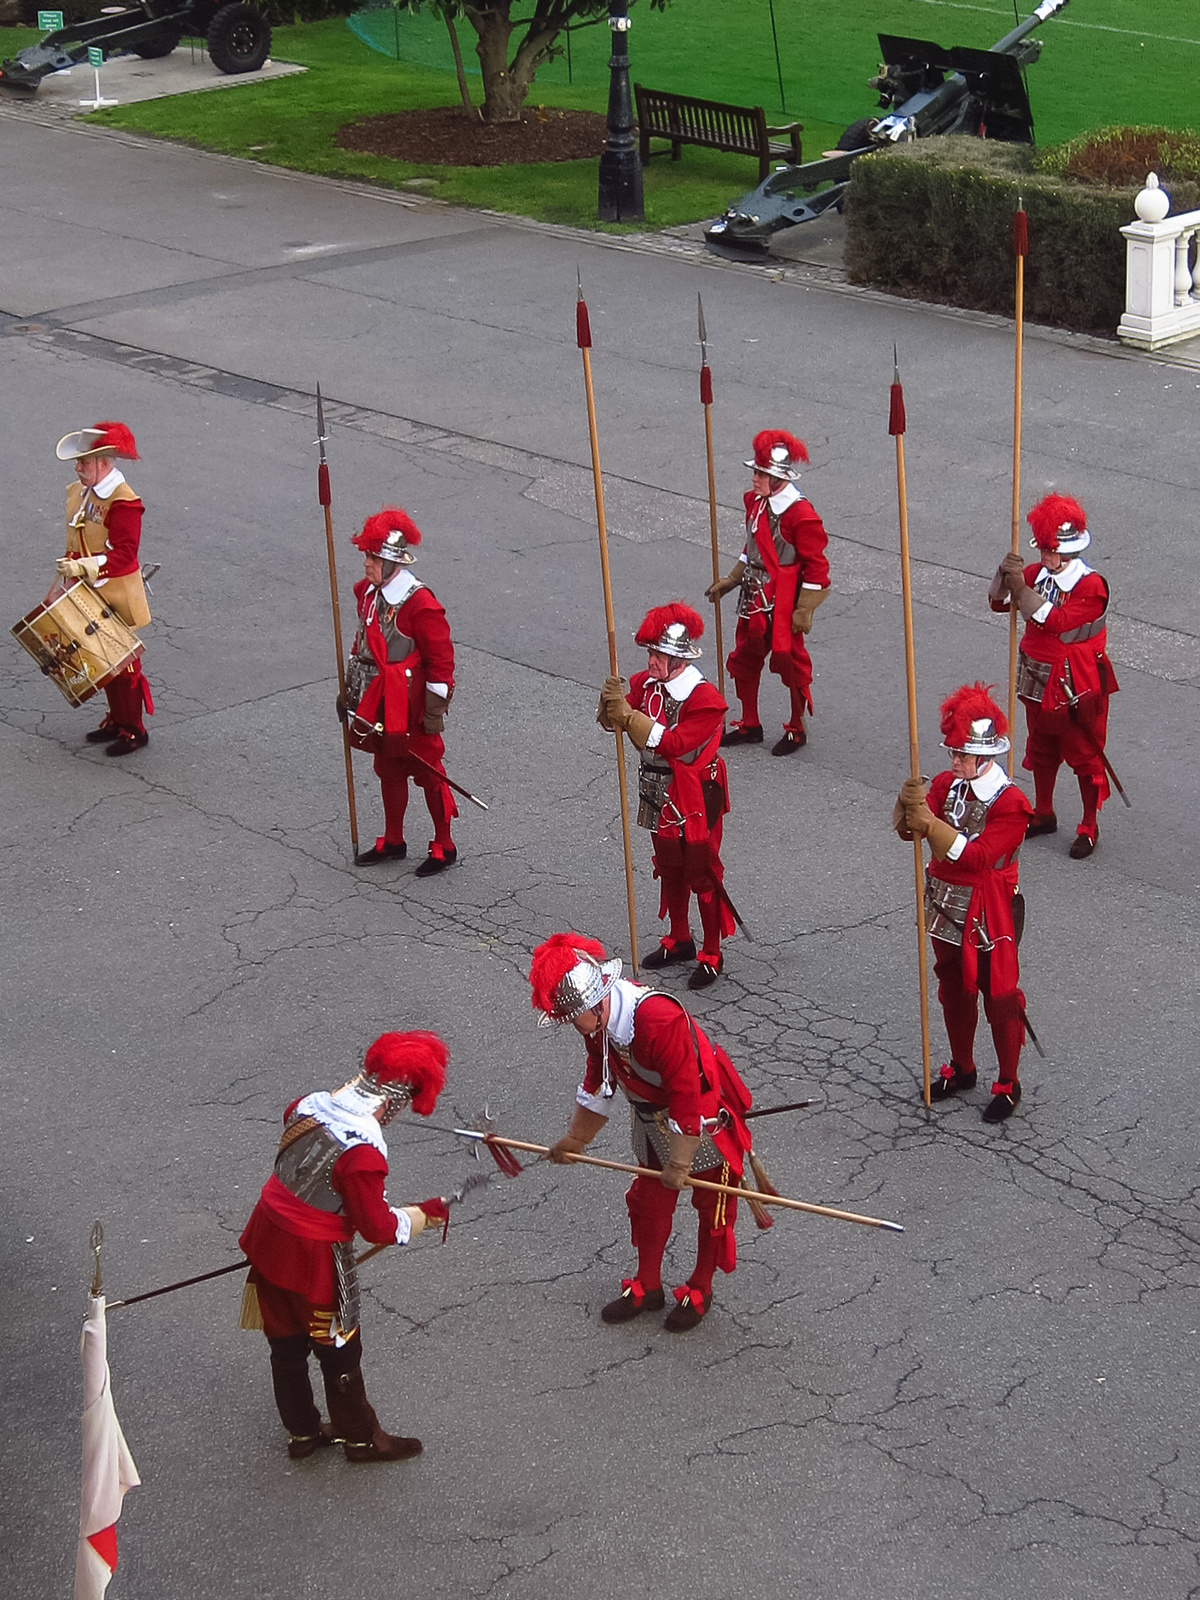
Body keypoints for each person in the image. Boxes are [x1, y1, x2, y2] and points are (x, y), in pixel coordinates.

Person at [239, 1031, 451, 1462]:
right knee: (339, 1350)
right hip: (314, 1258)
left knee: (286, 1345)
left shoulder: (304, 1106)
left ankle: (301, 1432)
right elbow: (376, 1227)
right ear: (394, 1101)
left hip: (268, 1239)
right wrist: (424, 1215)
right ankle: (361, 1439)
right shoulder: (362, 1155)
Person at [530, 932, 753, 1333]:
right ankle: (648, 1284)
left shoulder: (659, 1020)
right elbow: (599, 1077)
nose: (573, 1028)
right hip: (652, 1118)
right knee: (649, 1202)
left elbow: (686, 1089)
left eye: (573, 1018)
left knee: (712, 1207)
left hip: (699, 1118)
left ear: (595, 1003)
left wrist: (680, 1160)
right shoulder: (597, 1026)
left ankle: (701, 1286)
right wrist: (577, 1139)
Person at [895, 683, 1033, 1123]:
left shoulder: (1012, 804)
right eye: (953, 752)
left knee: (1000, 995)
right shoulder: (946, 784)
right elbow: (910, 833)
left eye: (962, 754)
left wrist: (931, 824)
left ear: (985, 756)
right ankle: (963, 1067)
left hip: (989, 909)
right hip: (944, 903)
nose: (954, 760)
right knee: (952, 988)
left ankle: (1008, 1082)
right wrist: (907, 807)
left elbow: (976, 858)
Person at [598, 603, 733, 989]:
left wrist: (628, 716)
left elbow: (675, 745)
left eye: (658, 654)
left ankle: (712, 953)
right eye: (650, 652)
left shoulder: (705, 701)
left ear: (679, 660)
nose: (650, 661)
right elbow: (614, 721)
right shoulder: (645, 683)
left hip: (694, 793)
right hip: (657, 787)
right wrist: (609, 704)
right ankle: (680, 939)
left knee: (701, 872)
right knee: (669, 865)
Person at [989, 493, 1119, 859]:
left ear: (1068, 551)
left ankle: (1089, 824)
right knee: (1041, 746)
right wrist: (1003, 575)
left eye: (1049, 550)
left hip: (1076, 680)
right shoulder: (1036, 574)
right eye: (1043, 549)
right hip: (1037, 674)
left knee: (1083, 753)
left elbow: (1058, 622)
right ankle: (1044, 812)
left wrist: (1021, 589)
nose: (1043, 556)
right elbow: (998, 603)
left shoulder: (1091, 586)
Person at [341, 507, 458, 875]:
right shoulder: (366, 593)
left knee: (427, 771)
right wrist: (350, 694)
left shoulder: (421, 604)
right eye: (366, 556)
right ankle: (394, 840)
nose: (367, 564)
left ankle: (444, 843)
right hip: (378, 698)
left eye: (374, 558)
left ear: (393, 562)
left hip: (412, 703)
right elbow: (362, 645)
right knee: (388, 767)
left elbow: (441, 662)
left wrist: (433, 711)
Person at [706, 430, 831, 755]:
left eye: (761, 474)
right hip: (753, 594)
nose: (755, 479)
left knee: (790, 662)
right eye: (756, 472)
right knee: (745, 657)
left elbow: (817, 568)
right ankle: (750, 723)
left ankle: (796, 728)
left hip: (784, 599)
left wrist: (804, 609)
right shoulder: (754, 502)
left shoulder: (801, 516)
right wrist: (733, 578)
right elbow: (752, 546)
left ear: (778, 479)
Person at [54, 421, 153, 755]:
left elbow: (125, 554)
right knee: (102, 660)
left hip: (115, 592)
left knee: (124, 665)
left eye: (84, 462)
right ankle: (116, 720)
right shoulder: (83, 492)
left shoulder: (124, 502)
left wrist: (83, 567)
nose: (78, 468)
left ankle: (134, 729)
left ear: (103, 463)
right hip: (87, 589)